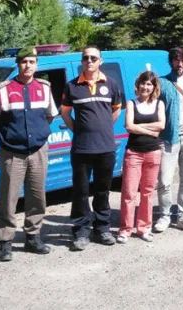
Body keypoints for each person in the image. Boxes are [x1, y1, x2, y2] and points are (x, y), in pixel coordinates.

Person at [0, 46, 58, 261]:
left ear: (37, 65)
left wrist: (37, 134)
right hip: (12, 153)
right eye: (24, 62)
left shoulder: (44, 88)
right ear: (18, 64)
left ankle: (33, 237)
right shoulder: (3, 90)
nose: (28, 66)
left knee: (37, 196)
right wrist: (9, 137)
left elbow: (49, 116)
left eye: (32, 62)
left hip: (38, 150)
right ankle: (5, 241)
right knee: (8, 198)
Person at [61, 46, 123, 251]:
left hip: (106, 148)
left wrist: (103, 127)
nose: (89, 61)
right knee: (81, 192)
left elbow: (117, 109)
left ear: (100, 61)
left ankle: (103, 228)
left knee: (102, 191)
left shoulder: (111, 84)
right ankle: (80, 232)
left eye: (93, 58)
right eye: (86, 58)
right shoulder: (72, 86)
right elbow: (65, 113)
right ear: (82, 61)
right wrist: (79, 130)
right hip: (81, 149)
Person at [153, 45, 183, 234]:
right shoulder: (162, 82)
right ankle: (164, 215)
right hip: (168, 139)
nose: (180, 64)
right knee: (164, 181)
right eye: (176, 60)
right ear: (171, 61)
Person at [117, 71, 165, 243]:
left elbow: (161, 125)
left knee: (147, 193)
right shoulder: (131, 103)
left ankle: (144, 228)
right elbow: (129, 126)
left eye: (149, 84)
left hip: (153, 153)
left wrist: (140, 126)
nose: (146, 87)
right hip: (133, 154)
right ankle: (125, 230)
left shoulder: (159, 104)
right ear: (138, 85)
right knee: (129, 193)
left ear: (154, 87)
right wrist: (150, 131)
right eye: (143, 83)